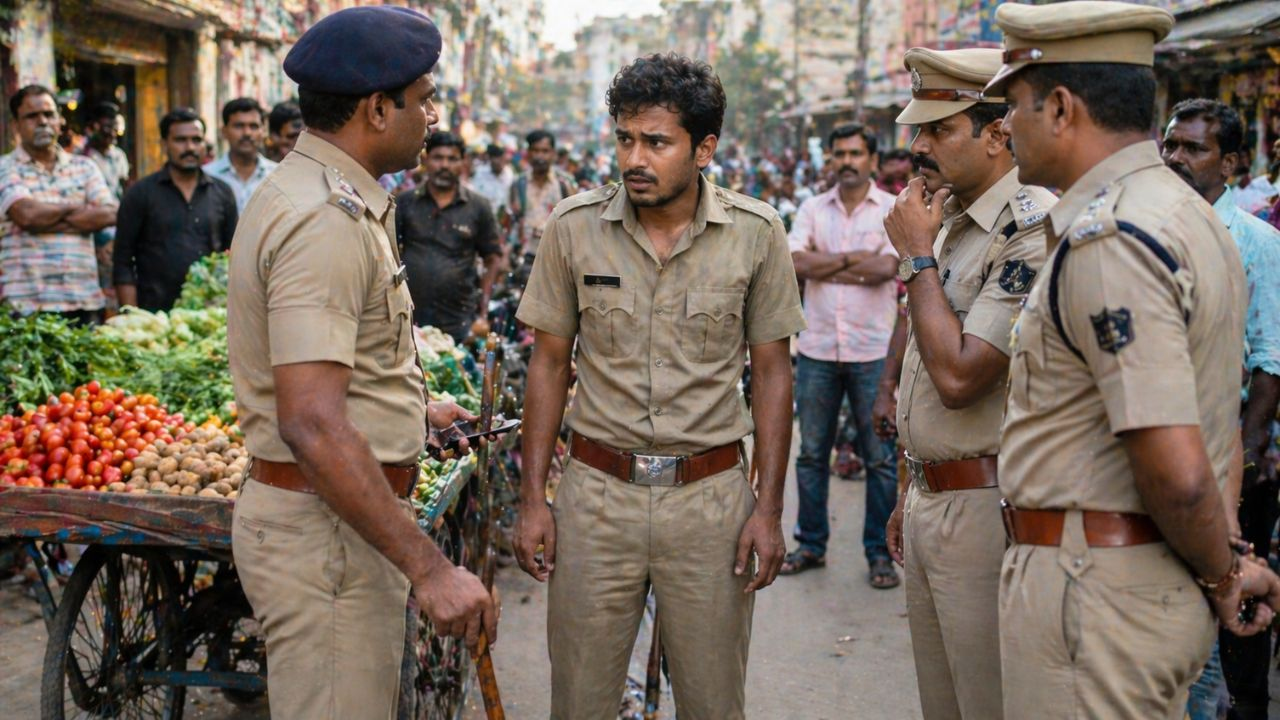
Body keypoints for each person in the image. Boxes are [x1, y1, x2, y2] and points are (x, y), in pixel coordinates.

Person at [986, 3, 1280, 716]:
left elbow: (1175, 467)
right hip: (1135, 580)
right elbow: (1220, 424)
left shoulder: (1112, 237)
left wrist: (1222, 574)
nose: (1005, 128)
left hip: (1096, 592)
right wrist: (1228, 557)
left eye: (1013, 108)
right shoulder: (1190, 219)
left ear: (1059, 108)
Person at [513, 53, 805, 719]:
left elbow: (772, 374)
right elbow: (549, 365)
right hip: (595, 500)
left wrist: (767, 509)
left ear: (703, 148)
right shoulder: (573, 227)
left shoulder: (756, 235)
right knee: (580, 698)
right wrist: (533, 499)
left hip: (709, 504)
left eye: (655, 142)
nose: (633, 158)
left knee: (710, 701)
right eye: (624, 138)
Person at [225, 8, 495, 718]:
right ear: (378, 109)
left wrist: (414, 411)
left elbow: (337, 377)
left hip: (337, 526)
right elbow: (311, 422)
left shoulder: (327, 196)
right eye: (425, 99)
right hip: (329, 538)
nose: (433, 118)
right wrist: (430, 569)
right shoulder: (324, 219)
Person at [875, 46, 1055, 720]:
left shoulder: (1027, 229)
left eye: (940, 129)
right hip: (933, 497)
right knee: (943, 703)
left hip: (987, 506)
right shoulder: (952, 217)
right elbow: (922, 371)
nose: (919, 145)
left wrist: (915, 258)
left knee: (988, 703)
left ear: (997, 134)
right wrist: (907, 487)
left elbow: (958, 377)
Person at [1163, 98, 1280, 720]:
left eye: (1194, 148)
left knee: (1237, 604)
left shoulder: (1256, 241)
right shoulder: (1151, 227)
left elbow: (1270, 355)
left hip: (1233, 450)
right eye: (1171, 145)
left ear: (1232, 163)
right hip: (1167, 445)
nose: (1177, 158)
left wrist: (1250, 451)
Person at [780, 122, 901, 589]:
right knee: (811, 454)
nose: (847, 161)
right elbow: (795, 262)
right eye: (840, 153)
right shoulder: (812, 208)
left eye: (855, 153)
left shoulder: (892, 210)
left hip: (873, 350)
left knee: (880, 458)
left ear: (871, 159)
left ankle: (879, 553)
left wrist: (828, 263)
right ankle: (811, 543)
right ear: (829, 159)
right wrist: (856, 261)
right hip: (817, 349)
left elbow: (887, 268)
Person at [0, 85, 118, 325]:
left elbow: (109, 214)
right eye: (32, 116)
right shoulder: (5, 167)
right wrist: (77, 209)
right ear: (16, 125)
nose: (42, 121)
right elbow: (28, 215)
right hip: (25, 305)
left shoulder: (85, 167)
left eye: (49, 114)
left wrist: (47, 215)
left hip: (83, 299)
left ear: (60, 120)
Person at [113, 108, 237, 312]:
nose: (190, 147)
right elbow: (123, 262)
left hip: (210, 313)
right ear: (164, 145)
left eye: (196, 140)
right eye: (180, 140)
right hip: (154, 316)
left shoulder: (222, 193)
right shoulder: (140, 194)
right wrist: (131, 316)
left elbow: (232, 256)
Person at [395, 131, 502, 343]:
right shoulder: (405, 202)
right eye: (438, 158)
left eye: (452, 159)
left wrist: (482, 312)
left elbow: (493, 258)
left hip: (459, 319)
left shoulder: (478, 206)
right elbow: (389, 252)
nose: (444, 165)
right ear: (426, 160)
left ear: (463, 162)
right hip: (410, 316)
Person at [509, 129, 574, 282]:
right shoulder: (518, 184)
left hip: (557, 259)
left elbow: (574, 222)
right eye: (535, 151)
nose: (540, 156)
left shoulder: (564, 184)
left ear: (553, 154)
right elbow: (511, 221)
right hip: (525, 259)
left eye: (545, 151)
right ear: (528, 153)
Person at [203, 97, 278, 213]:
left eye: (253, 126)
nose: (247, 133)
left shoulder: (277, 175)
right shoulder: (207, 176)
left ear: (263, 131)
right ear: (224, 131)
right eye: (239, 126)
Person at [82, 101, 130, 200]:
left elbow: (124, 185)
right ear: (95, 127)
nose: (112, 134)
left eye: (115, 129)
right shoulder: (81, 156)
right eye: (107, 128)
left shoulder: (119, 155)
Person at [470, 143, 512, 220]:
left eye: (501, 159)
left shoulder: (510, 175)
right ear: (490, 159)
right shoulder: (480, 173)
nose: (498, 162)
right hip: (483, 217)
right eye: (495, 158)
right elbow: (474, 194)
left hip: (502, 219)